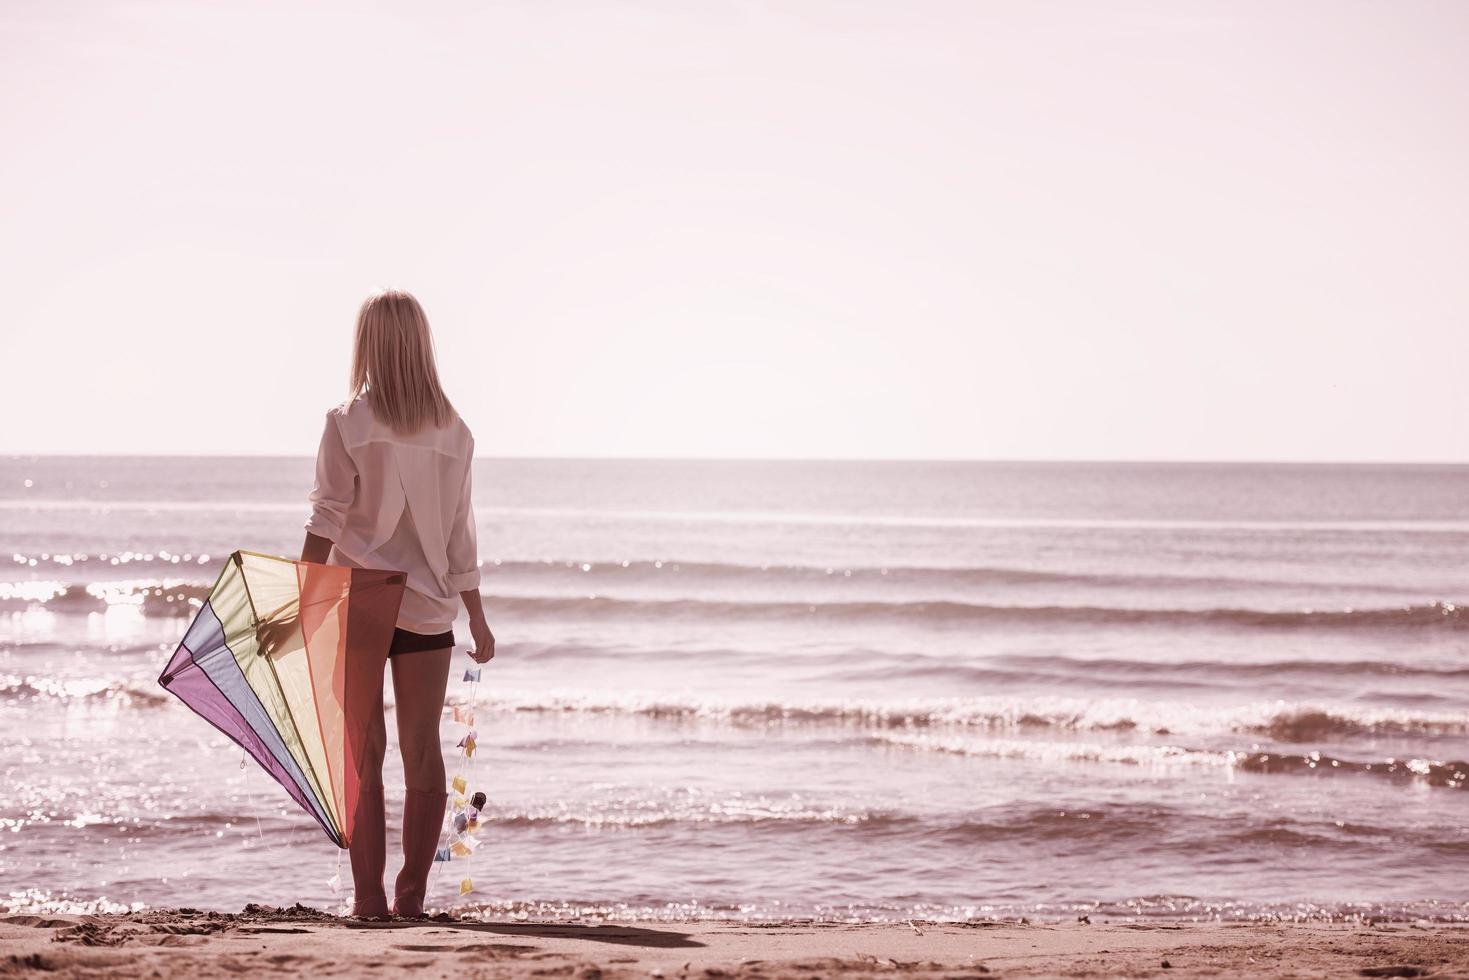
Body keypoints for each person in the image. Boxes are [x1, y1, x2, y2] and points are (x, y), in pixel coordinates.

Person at [299, 288, 495, 919]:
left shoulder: (347, 421)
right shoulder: (455, 430)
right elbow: (462, 531)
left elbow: (326, 518)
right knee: (422, 749)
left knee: (364, 750)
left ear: (369, 345)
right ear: (420, 344)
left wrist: (303, 595)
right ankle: (411, 897)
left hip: (359, 597)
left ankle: (367, 899)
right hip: (431, 603)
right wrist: (477, 611)